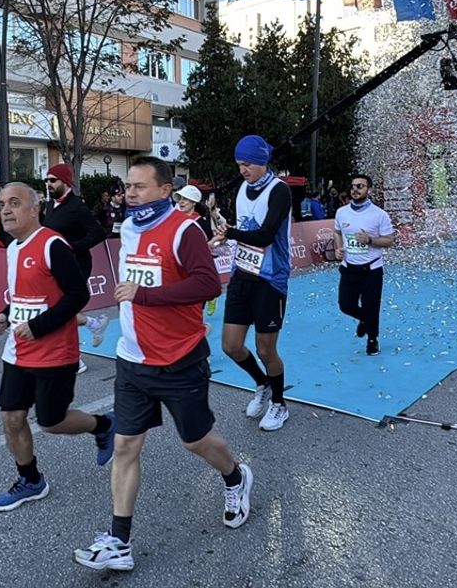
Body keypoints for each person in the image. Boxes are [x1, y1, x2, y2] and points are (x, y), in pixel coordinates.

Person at [73, 157, 250, 573]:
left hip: (178, 359)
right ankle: (119, 540)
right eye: (128, 186)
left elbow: (208, 284)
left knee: (196, 441)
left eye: (139, 186)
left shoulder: (185, 230)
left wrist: (144, 295)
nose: (130, 193)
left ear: (165, 190)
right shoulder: (130, 227)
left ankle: (235, 476)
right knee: (125, 445)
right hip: (132, 358)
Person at [0, 182, 114, 511]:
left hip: (55, 352)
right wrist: (5, 315)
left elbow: (78, 296)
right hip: (17, 350)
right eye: (2, 204)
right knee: (11, 418)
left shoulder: (53, 246)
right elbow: (19, 295)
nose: (7, 210)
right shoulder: (13, 247)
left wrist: (38, 326)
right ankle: (31, 480)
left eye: (15, 203)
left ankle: (104, 425)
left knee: (51, 421)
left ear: (35, 208)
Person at [213, 135, 293, 432]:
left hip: (271, 280)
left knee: (265, 350)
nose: (242, 170)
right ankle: (262, 384)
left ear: (261, 161)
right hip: (241, 275)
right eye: (239, 165)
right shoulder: (243, 190)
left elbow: (265, 235)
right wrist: (226, 234)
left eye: (247, 164)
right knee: (231, 346)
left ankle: (280, 404)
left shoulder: (279, 191)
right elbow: (244, 231)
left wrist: (231, 233)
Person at [41, 164, 111, 362]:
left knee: (61, 309)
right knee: (57, 308)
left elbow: (98, 233)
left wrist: (73, 247)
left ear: (65, 182)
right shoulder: (49, 205)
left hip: (77, 265)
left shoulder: (77, 207)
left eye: (52, 180)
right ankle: (94, 325)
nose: (49, 184)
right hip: (55, 265)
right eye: (46, 180)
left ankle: (73, 358)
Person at [333, 175, 396, 355]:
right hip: (348, 268)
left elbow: (389, 240)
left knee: (372, 306)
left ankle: (372, 339)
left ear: (369, 190)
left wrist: (369, 240)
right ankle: (364, 319)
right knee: (345, 305)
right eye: (353, 186)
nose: (355, 189)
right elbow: (337, 232)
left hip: (371, 270)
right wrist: (338, 248)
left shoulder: (379, 215)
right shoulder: (341, 212)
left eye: (360, 186)